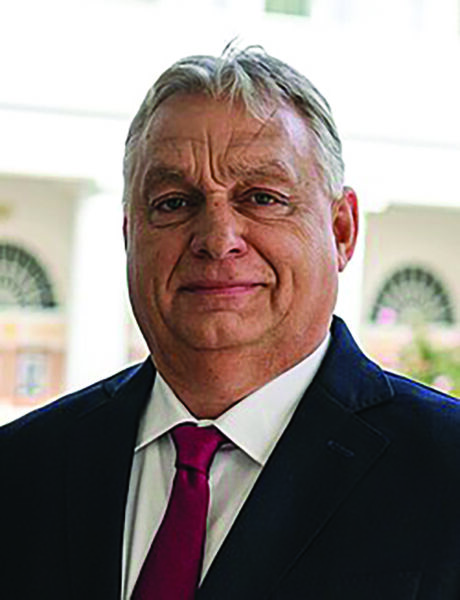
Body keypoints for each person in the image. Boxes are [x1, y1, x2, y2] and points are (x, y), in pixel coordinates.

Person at [2, 46, 460, 600]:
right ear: (129, 235)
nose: (217, 240)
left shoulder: (447, 470)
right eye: (174, 203)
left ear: (341, 230)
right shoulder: (20, 471)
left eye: (262, 197)